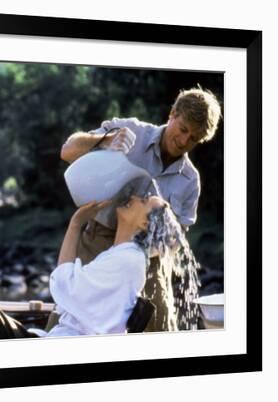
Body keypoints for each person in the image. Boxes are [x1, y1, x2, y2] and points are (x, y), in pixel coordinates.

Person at [60, 87, 222, 331]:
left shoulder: (190, 180)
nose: (184, 142)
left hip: (148, 257)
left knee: (160, 327)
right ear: (172, 114)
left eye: (194, 139)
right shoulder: (131, 131)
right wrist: (104, 141)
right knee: (71, 315)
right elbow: (68, 151)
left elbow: (175, 241)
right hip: (98, 240)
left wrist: (135, 252)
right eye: (184, 130)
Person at [0, 193, 181, 341]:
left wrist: (76, 224)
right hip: (58, 341)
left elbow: (64, 285)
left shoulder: (129, 260)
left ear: (145, 223)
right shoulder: (122, 256)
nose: (135, 196)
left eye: (144, 200)